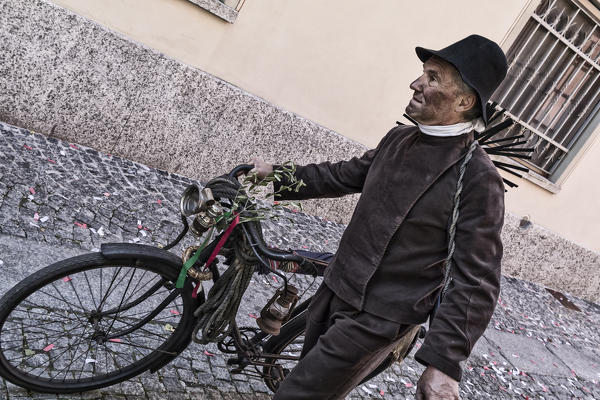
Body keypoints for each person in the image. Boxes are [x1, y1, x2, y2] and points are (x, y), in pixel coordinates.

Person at [252, 35, 507, 400]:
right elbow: (342, 175)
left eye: (433, 78)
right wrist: (275, 174)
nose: (416, 83)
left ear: (465, 101)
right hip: (336, 286)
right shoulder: (399, 138)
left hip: (378, 318)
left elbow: (476, 279)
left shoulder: (479, 179)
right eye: (423, 74)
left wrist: (444, 362)